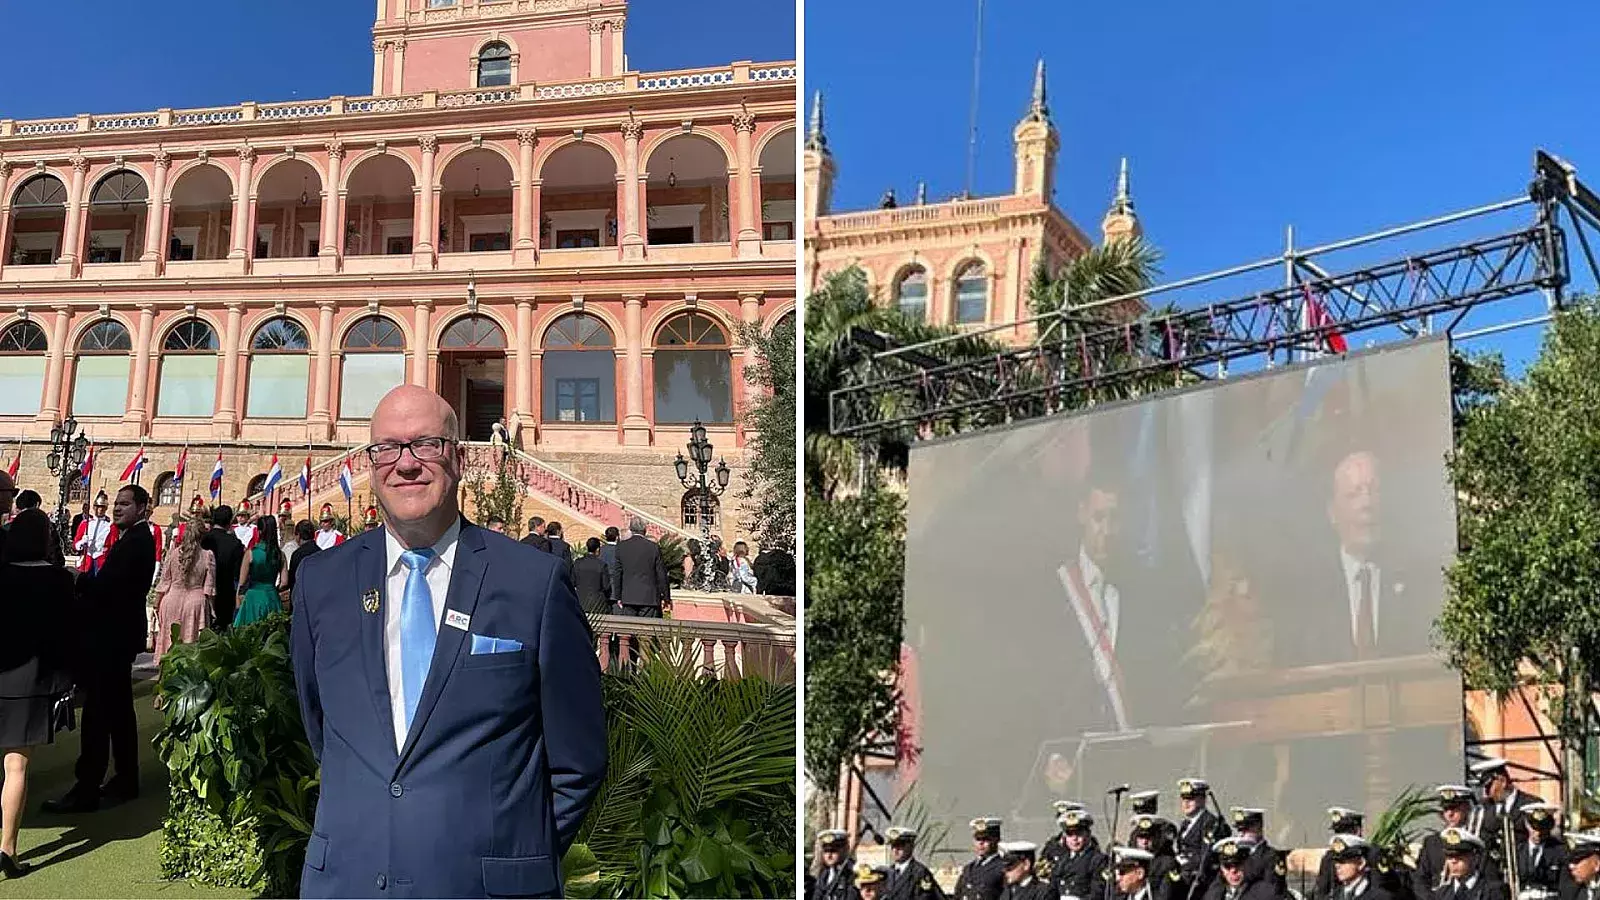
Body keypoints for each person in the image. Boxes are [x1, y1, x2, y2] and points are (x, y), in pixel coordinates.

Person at [288, 384, 605, 898]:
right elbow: (321, 727)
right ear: (370, 464)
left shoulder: (532, 582)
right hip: (348, 880)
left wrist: (510, 851)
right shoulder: (321, 582)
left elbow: (578, 760)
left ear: (457, 458)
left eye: (425, 445)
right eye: (387, 448)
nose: (405, 463)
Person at [43, 484, 156, 814]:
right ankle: (125, 777)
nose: (117, 508)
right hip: (117, 637)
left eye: (124, 504)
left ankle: (87, 788)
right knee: (120, 711)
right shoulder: (132, 539)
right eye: (115, 504)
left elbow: (111, 589)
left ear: (142, 508)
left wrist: (77, 578)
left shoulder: (136, 541)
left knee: (98, 713)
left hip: (112, 639)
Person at [0, 508, 72, 878]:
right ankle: (7, 847)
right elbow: (64, 638)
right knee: (17, 767)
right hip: (31, 683)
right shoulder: (59, 581)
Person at [152, 520, 215, 662]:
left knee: (169, 641)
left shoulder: (173, 553)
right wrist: (212, 609)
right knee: (190, 644)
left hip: (171, 600)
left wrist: (156, 603)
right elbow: (209, 587)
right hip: (195, 603)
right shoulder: (207, 555)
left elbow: (164, 581)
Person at [1416, 786, 1480, 897]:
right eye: (1446, 809)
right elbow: (1420, 879)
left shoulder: (1476, 840)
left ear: (1467, 808)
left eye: (1454, 808)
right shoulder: (1431, 842)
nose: (1450, 814)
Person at [1177, 778, 1231, 896]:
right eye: (1184, 799)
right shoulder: (1186, 824)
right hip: (1185, 877)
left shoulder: (1210, 823)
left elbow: (1207, 858)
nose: (1186, 803)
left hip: (1203, 883)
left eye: (1191, 799)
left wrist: (1184, 863)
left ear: (1202, 799)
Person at [1043, 809, 1106, 900]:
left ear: (1088, 834)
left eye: (1079, 833)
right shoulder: (1062, 860)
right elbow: (1053, 890)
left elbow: (1098, 893)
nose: (1074, 839)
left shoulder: (1098, 860)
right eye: (1070, 834)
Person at [234, 514, 285, 627]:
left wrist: (238, 605)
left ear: (259, 531)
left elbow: (242, 583)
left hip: (253, 598)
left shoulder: (251, 553)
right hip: (272, 596)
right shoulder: (280, 555)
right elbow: (284, 582)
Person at [200, 505, 245, 631]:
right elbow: (238, 573)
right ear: (230, 521)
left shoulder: (203, 539)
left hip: (203, 592)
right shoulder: (235, 543)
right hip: (225, 594)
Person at [1431, 828, 1509, 900]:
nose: (1453, 861)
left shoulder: (1494, 891)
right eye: (1449, 856)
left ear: (1475, 858)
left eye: (1459, 856)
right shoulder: (1442, 894)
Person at [615, 516, 670, 617]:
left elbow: (617, 573)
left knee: (630, 629)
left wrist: (618, 596)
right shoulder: (653, 547)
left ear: (630, 529)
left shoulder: (621, 547)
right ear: (645, 530)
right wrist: (666, 597)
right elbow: (661, 574)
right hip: (649, 598)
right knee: (647, 631)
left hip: (628, 596)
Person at [1315, 808, 1369, 900]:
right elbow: (1322, 890)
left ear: (1357, 831)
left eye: (1343, 831)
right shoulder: (1329, 857)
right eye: (1337, 832)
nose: (1338, 837)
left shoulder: (1371, 855)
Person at [1231, 808, 1286, 896]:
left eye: (1246, 829)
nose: (1241, 834)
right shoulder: (1235, 854)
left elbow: (1272, 890)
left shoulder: (1271, 856)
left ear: (1259, 827)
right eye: (1239, 830)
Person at [1515, 804, 1566, 898]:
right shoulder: (1517, 849)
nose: (1538, 833)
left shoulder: (1559, 851)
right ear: (1527, 824)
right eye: (1534, 828)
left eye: (1542, 828)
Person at [883, 826, 945, 900]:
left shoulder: (920, 873)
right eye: (893, 846)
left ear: (911, 846)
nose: (895, 850)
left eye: (900, 845)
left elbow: (925, 897)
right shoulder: (888, 872)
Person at [1203, 839, 1275, 900]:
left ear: (1246, 864)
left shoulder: (1264, 892)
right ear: (1221, 868)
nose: (1233, 870)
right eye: (1227, 866)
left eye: (1237, 865)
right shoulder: (1213, 894)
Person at [955, 818, 1006, 900]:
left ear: (997, 840)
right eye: (978, 839)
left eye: (986, 839)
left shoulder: (1003, 868)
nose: (981, 843)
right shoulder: (968, 869)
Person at [73, 491, 114, 575]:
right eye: (98, 506)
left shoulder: (110, 526)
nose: (100, 509)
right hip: (86, 559)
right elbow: (75, 544)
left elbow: (112, 546)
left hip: (101, 561)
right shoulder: (85, 523)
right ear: (94, 507)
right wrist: (81, 542)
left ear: (106, 508)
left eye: (103, 507)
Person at [572, 537, 613, 616]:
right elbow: (606, 586)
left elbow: (572, 582)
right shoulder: (601, 565)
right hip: (598, 604)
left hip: (580, 602)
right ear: (597, 549)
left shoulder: (577, 563)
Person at [812, 829, 854, 900]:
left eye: (833, 851)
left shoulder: (851, 873)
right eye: (826, 851)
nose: (829, 855)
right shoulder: (824, 875)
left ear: (845, 850)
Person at [286, 520, 321, 596]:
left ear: (298, 535)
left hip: (301, 597)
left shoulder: (297, 554)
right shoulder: (320, 552)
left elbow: (292, 580)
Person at [1563, 833, 1600, 900]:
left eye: (1577, 861)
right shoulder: (1570, 888)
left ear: (1597, 864)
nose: (1571, 866)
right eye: (1570, 861)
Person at [599, 526, 621, 603]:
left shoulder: (600, 550)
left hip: (602, 587)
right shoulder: (620, 550)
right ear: (617, 537)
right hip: (617, 588)